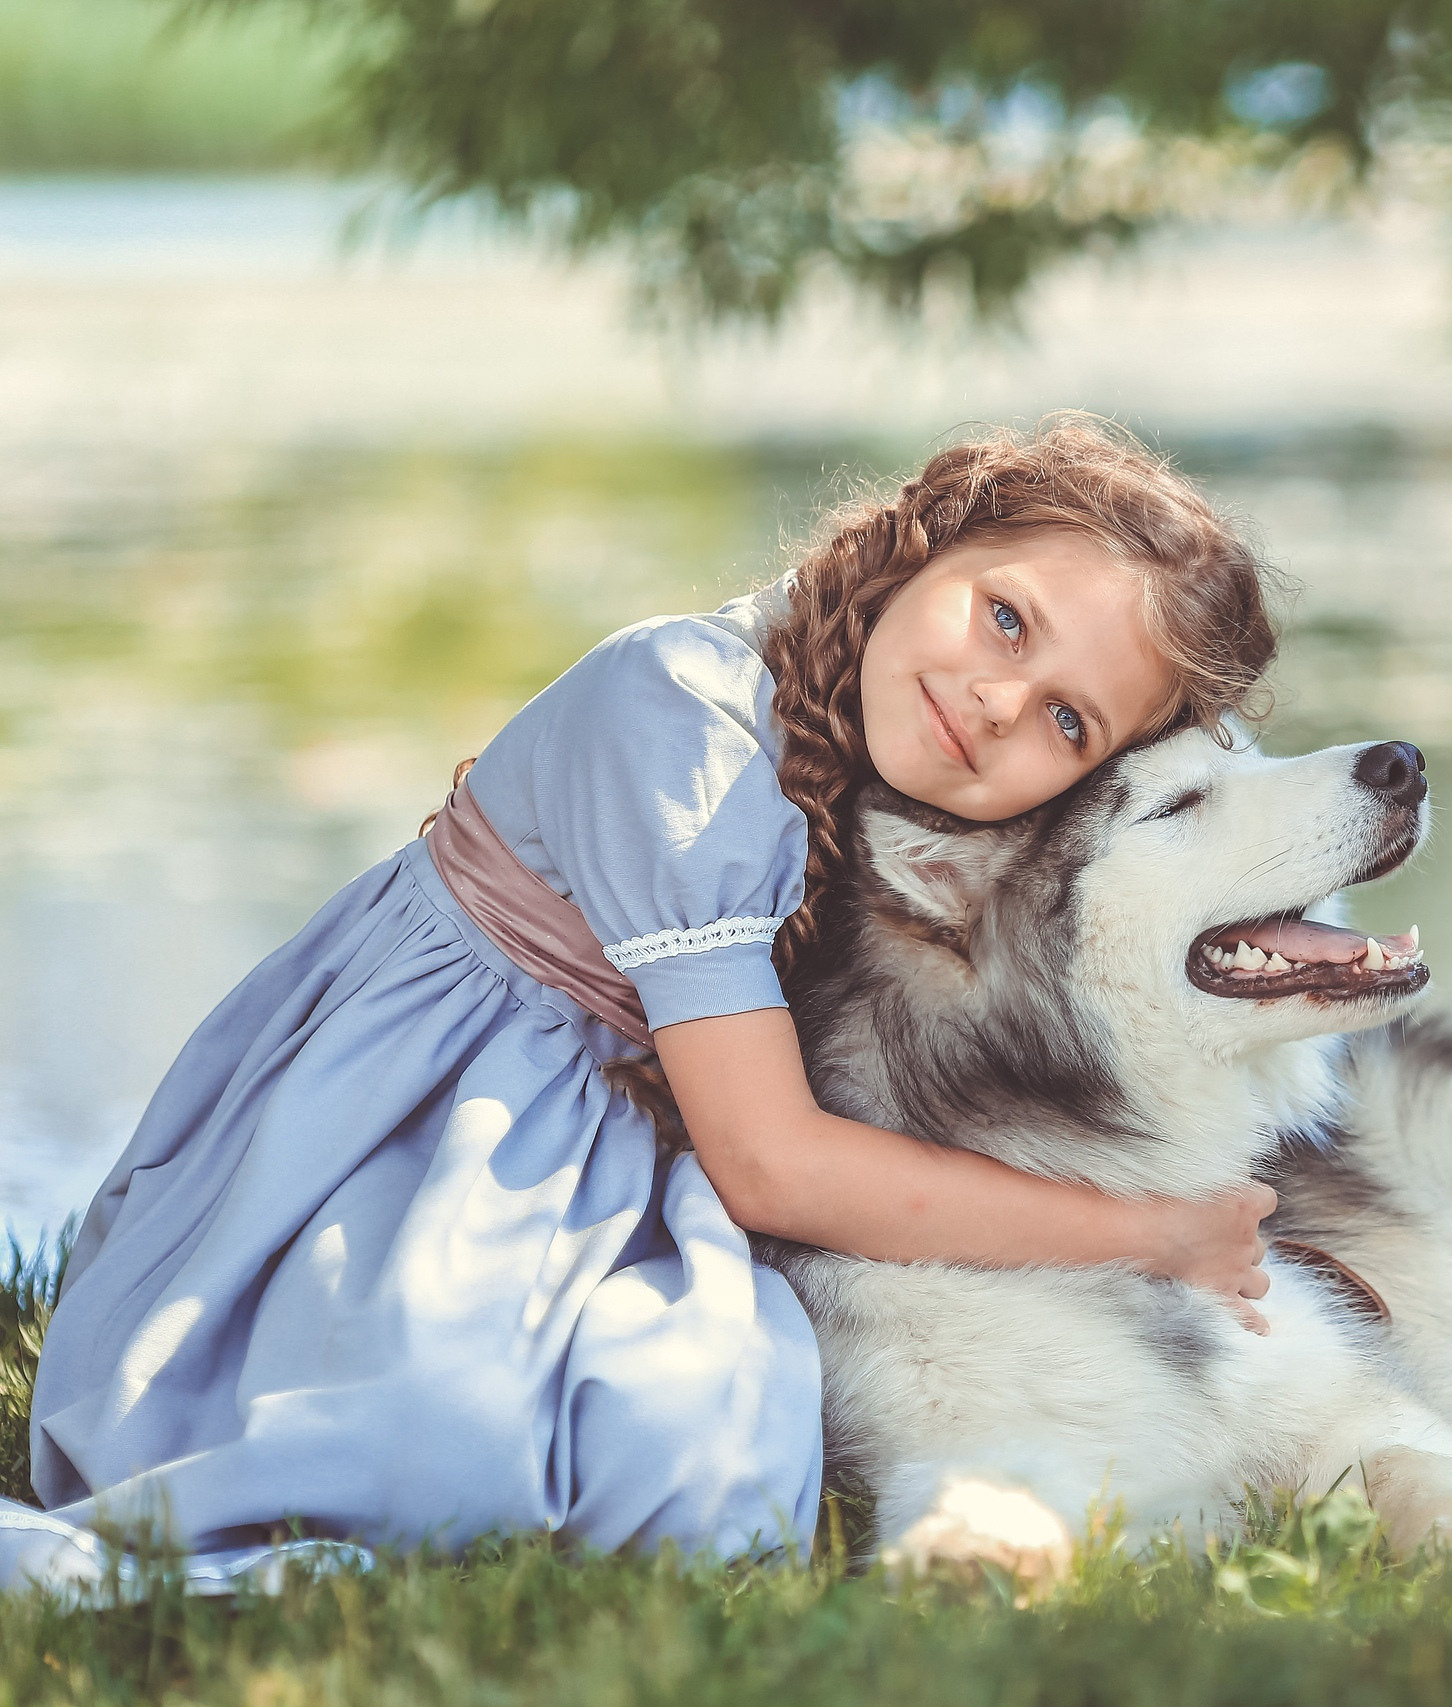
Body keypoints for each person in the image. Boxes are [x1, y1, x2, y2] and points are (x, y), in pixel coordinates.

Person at [17, 417, 1284, 1571]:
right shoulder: (677, 710)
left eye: (1069, 723)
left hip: (628, 1140)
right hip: (432, 1127)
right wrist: (1153, 1235)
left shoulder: (890, 769)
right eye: (1005, 618)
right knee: (438, 1455)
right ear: (929, 545)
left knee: (710, 1464)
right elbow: (774, 1166)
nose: (999, 702)